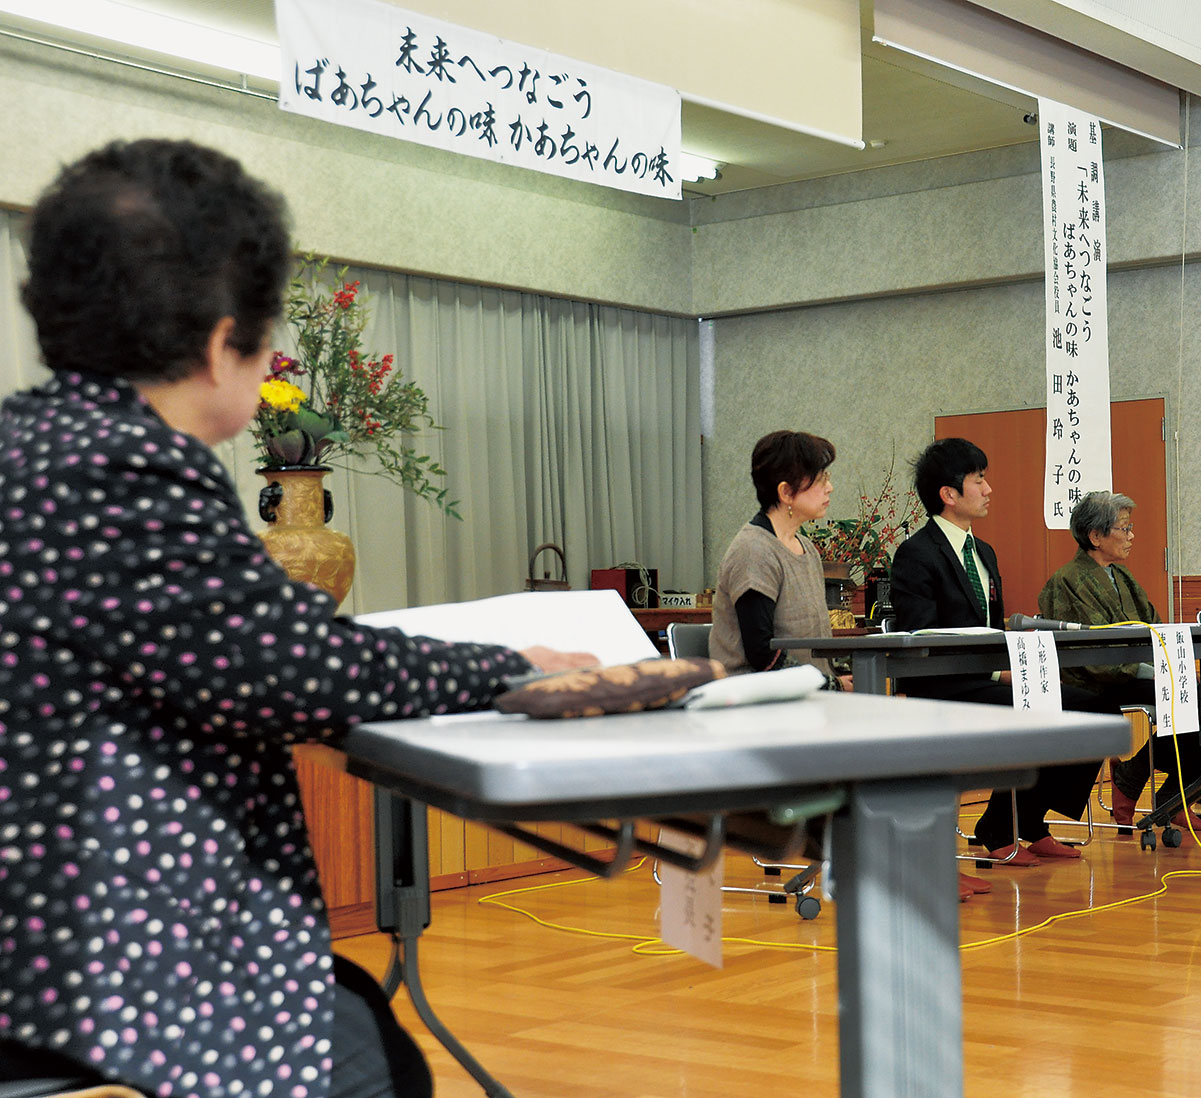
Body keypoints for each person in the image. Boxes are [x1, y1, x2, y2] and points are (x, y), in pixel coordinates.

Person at [0, 139, 594, 1098]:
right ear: (218, 342)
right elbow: (289, 670)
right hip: (80, 932)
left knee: (359, 1020)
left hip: (47, 902)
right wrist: (508, 665)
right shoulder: (123, 467)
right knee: (367, 1065)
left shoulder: (33, 442)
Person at [889, 438, 1109, 881]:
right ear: (949, 495)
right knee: (1044, 712)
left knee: (1095, 709)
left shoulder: (983, 552)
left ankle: (1024, 821)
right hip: (944, 685)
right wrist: (997, 671)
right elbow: (923, 637)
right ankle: (999, 827)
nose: (989, 489)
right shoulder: (916, 554)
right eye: (979, 480)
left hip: (992, 677)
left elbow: (994, 629)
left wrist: (1025, 667)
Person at [1038, 491, 1201, 833]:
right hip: (1094, 679)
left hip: (1131, 670)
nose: (1131, 536)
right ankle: (1150, 788)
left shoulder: (1122, 576)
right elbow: (1092, 652)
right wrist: (1156, 670)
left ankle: (1160, 791)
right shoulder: (1068, 579)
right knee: (1195, 702)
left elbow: (1152, 624)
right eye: (1124, 529)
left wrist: (1170, 663)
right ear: (1096, 536)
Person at [708, 430, 845, 688]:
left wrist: (836, 679)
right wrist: (832, 686)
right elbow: (762, 653)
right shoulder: (754, 550)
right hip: (758, 699)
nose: (830, 487)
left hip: (807, 696)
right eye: (820, 479)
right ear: (785, 492)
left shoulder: (806, 548)